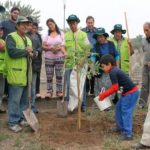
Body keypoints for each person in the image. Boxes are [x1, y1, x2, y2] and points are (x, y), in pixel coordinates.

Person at [99, 54, 139, 141]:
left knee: (126, 112)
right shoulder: (114, 70)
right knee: (118, 107)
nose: (102, 69)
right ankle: (120, 127)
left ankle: (128, 134)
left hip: (131, 93)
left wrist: (103, 95)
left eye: (103, 66)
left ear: (109, 64)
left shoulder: (113, 72)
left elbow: (115, 88)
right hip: (127, 93)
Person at [5, 16, 32, 132]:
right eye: (23, 24)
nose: (25, 26)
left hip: (26, 74)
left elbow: (33, 52)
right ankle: (12, 122)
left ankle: (20, 118)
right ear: (17, 26)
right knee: (14, 100)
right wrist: (26, 51)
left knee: (23, 100)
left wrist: (33, 53)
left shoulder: (28, 39)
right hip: (16, 73)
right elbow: (12, 52)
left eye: (27, 24)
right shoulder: (11, 37)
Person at [65, 14, 90, 112]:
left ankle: (82, 106)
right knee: (70, 86)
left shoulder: (83, 34)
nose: (72, 25)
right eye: (70, 23)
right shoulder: (66, 35)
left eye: (74, 23)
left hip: (81, 64)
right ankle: (71, 107)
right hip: (69, 64)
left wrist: (82, 61)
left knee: (81, 86)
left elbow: (87, 50)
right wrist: (64, 52)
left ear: (77, 23)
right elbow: (63, 47)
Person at [91, 27, 119, 98]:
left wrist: (117, 67)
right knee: (100, 87)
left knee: (110, 87)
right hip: (100, 71)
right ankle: (101, 102)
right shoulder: (95, 46)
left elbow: (117, 55)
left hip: (111, 71)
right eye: (98, 37)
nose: (99, 39)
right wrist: (92, 68)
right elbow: (93, 57)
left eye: (101, 37)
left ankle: (109, 102)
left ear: (105, 37)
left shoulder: (111, 44)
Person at [42, 18, 66, 98]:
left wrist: (58, 48)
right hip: (48, 57)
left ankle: (59, 91)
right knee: (49, 75)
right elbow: (43, 46)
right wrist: (50, 49)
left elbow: (64, 44)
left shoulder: (61, 34)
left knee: (59, 75)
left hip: (59, 57)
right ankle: (49, 91)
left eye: (51, 24)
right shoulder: (47, 35)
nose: (50, 26)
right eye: (48, 25)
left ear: (54, 23)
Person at [2, 7, 20, 100]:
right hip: (3, 51)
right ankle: (4, 93)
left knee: (12, 73)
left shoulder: (18, 25)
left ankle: (9, 94)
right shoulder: (4, 23)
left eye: (17, 13)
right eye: (14, 12)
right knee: (4, 72)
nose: (16, 14)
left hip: (15, 52)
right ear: (10, 13)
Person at [26, 17, 42, 113]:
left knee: (33, 87)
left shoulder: (37, 36)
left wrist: (36, 52)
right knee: (26, 87)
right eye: (28, 24)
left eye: (31, 24)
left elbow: (40, 47)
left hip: (35, 64)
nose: (30, 26)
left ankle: (32, 106)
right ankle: (25, 106)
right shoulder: (24, 36)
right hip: (25, 65)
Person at [82, 16, 97, 95]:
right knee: (86, 74)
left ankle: (93, 91)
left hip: (94, 56)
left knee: (93, 74)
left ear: (94, 22)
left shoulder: (97, 31)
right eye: (89, 23)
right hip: (85, 56)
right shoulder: (83, 31)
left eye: (91, 22)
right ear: (86, 23)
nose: (90, 24)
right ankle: (86, 91)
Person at [138, 22, 150, 109]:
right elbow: (142, 53)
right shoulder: (143, 41)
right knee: (144, 85)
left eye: (147, 30)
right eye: (144, 30)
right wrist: (145, 62)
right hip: (146, 67)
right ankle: (142, 103)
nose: (145, 32)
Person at [0, 23, 6, 113]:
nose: (0, 32)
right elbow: (2, 48)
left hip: (2, 69)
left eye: (1, 30)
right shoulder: (3, 43)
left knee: (1, 91)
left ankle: (0, 107)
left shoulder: (3, 41)